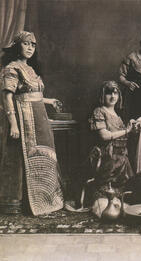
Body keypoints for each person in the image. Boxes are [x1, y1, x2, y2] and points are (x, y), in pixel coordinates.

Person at [0, 31, 64, 215]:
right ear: (17, 46)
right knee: (23, 158)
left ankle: (45, 198)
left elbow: (33, 96)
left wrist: (49, 100)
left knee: (45, 153)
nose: (30, 48)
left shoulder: (31, 70)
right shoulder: (12, 68)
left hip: (39, 118)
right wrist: (13, 123)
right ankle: (25, 203)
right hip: (24, 120)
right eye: (26, 44)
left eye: (33, 45)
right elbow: (7, 97)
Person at [88, 81, 141, 217]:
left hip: (121, 158)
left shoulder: (117, 115)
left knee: (125, 190)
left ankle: (118, 205)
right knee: (106, 193)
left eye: (115, 92)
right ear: (103, 95)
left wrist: (132, 129)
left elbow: (124, 135)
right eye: (109, 93)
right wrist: (126, 131)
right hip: (108, 158)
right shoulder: (99, 111)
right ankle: (106, 205)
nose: (113, 96)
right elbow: (104, 136)